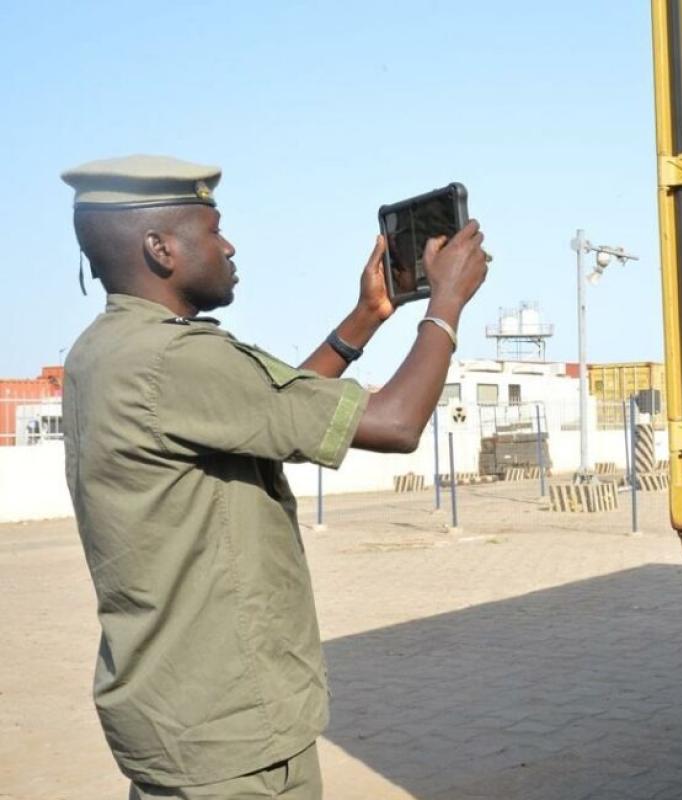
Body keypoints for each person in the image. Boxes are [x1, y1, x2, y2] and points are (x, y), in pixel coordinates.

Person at [59, 155, 488, 799]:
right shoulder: (178, 359)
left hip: (183, 721)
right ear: (160, 249)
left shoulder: (108, 350)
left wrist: (365, 317)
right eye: (212, 229)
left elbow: (274, 409)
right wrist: (446, 304)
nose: (228, 246)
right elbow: (397, 424)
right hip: (231, 743)